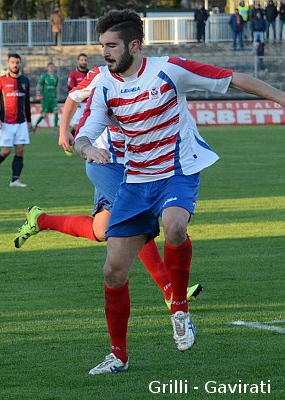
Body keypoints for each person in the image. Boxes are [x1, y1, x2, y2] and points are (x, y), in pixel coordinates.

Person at [72, 9, 285, 375]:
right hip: (135, 180)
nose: (104, 53)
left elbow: (235, 79)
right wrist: (88, 148)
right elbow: (84, 133)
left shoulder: (169, 69)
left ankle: (180, 311)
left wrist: (281, 98)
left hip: (177, 171)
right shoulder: (104, 84)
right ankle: (118, 356)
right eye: (101, 46)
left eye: (111, 46)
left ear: (134, 46)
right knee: (113, 271)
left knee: (173, 226)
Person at [16, 64, 203, 312]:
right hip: (108, 164)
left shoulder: (152, 74)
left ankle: (40, 220)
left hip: (139, 164)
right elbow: (73, 96)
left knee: (101, 230)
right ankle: (170, 290)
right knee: (136, 221)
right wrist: (64, 130)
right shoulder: (100, 75)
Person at [0, 53, 32, 188]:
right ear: (8, 64)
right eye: (12, 62)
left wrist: (29, 121)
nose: (15, 65)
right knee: (6, 150)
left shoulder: (25, 81)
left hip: (21, 122)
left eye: (17, 62)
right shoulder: (1, 81)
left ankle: (15, 180)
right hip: (6, 122)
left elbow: (27, 103)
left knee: (19, 150)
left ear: (20, 64)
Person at [33, 62, 59, 134]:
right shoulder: (44, 76)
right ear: (47, 68)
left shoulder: (56, 77)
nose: (51, 68)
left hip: (53, 98)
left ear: (54, 68)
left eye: (52, 67)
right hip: (45, 98)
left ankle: (55, 129)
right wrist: (38, 94)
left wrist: (56, 95)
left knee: (56, 112)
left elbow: (56, 87)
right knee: (43, 115)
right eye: (49, 67)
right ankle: (35, 126)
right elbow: (39, 85)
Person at [66, 53, 89, 131]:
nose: (84, 62)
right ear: (78, 61)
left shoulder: (90, 73)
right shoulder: (73, 74)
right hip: (79, 103)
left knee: (88, 124)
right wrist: (75, 101)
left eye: (85, 60)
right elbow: (69, 88)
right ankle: (72, 141)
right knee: (77, 124)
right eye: (82, 60)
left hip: (89, 102)